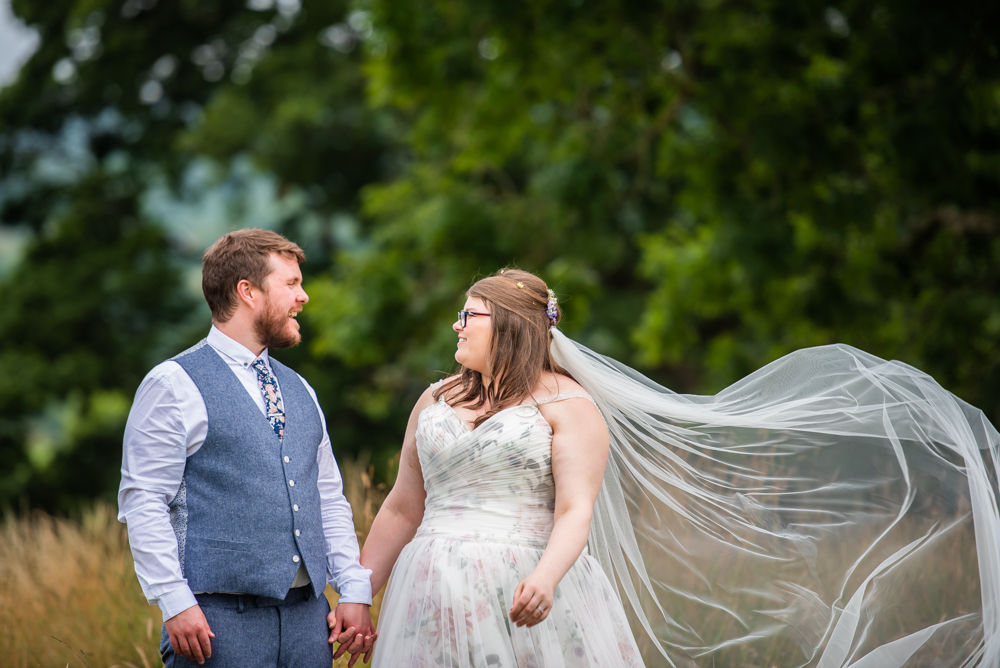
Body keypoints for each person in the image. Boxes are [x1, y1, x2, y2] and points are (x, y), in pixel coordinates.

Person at [357, 268, 1000, 667]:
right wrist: (360, 595)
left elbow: (575, 509)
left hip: (524, 582)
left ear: (510, 325)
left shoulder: (569, 406)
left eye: (468, 313)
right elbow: (402, 507)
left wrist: (547, 579)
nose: (455, 324)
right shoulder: (436, 400)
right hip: (431, 584)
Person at [118, 228, 376, 667]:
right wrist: (175, 601)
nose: (304, 297)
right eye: (291, 284)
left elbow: (327, 498)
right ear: (247, 292)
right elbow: (144, 500)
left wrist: (353, 589)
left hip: (309, 622)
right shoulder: (173, 384)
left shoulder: (301, 390)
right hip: (216, 622)